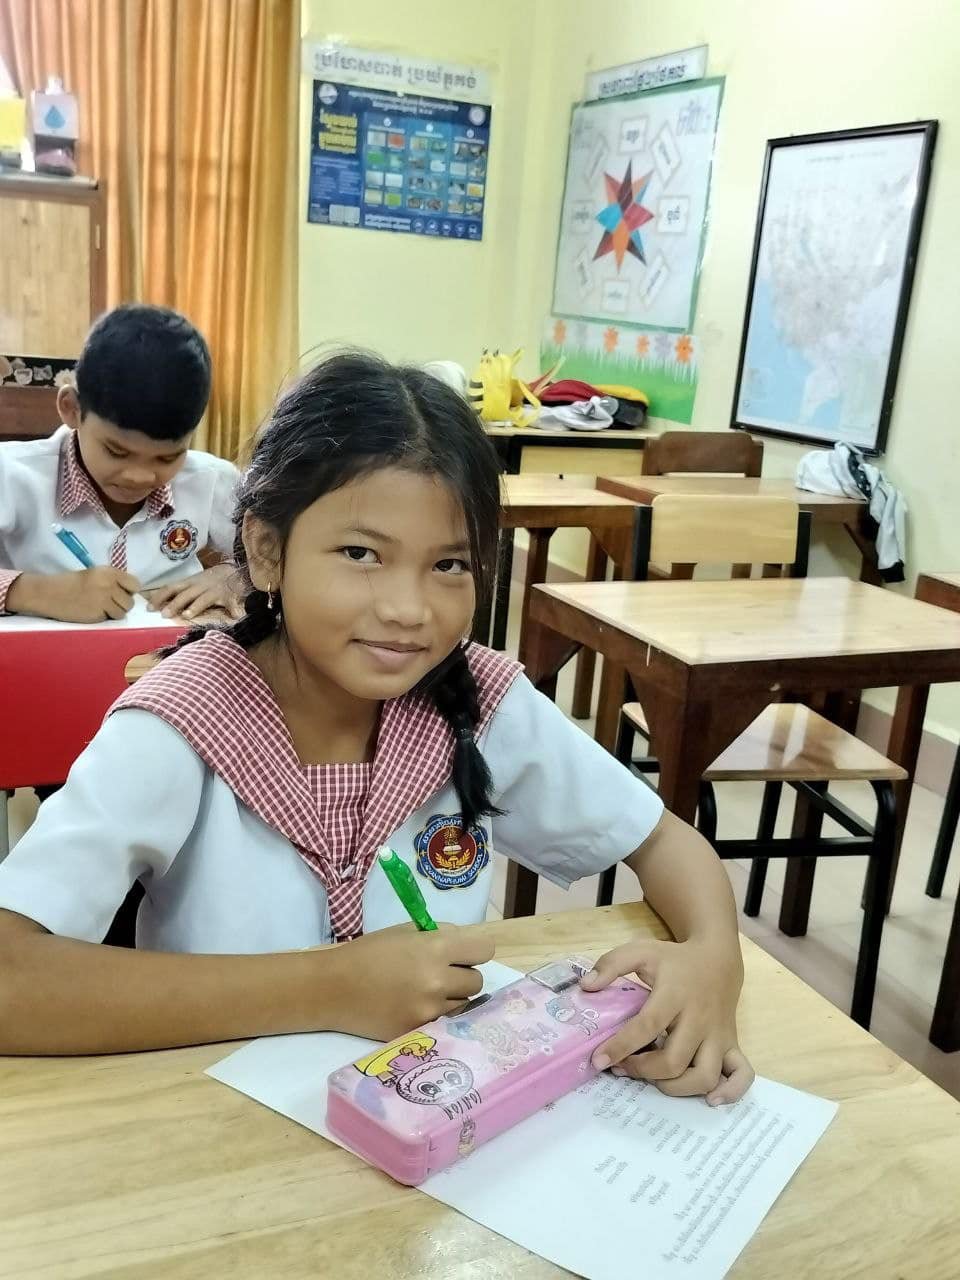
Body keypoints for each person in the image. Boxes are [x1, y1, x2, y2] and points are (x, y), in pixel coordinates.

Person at [0, 351, 752, 1106]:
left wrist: (713, 958)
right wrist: (330, 985)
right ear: (264, 550)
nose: (408, 608)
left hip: (432, 1128)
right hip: (217, 1145)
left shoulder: (478, 703)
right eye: (361, 554)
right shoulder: (183, 720)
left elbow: (662, 841)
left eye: (449, 564)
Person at [0, 304, 241, 623]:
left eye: (167, 457)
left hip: (166, 663)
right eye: (116, 451)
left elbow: (279, 560)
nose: (139, 476)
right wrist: (34, 591)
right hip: (43, 664)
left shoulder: (211, 481)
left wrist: (236, 578)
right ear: (71, 409)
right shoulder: (12, 474)